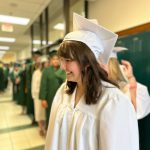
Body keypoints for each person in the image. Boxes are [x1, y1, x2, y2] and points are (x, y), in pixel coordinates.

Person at [45, 13, 139, 150]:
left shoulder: (113, 102)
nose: (62, 67)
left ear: (87, 61)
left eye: (68, 60)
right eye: (61, 60)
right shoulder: (63, 91)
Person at [39, 50, 66, 128]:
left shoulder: (63, 70)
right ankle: (49, 132)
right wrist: (43, 99)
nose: (55, 61)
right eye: (53, 59)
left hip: (62, 98)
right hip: (50, 97)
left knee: (61, 115)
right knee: (50, 115)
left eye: (57, 59)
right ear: (50, 60)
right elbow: (43, 85)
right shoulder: (46, 71)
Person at [31, 58, 46, 136]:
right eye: (41, 64)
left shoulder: (46, 72)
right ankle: (40, 128)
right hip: (37, 96)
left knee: (44, 113)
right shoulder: (36, 73)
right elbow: (33, 85)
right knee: (39, 113)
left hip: (44, 95)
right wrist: (33, 95)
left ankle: (44, 127)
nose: (42, 65)